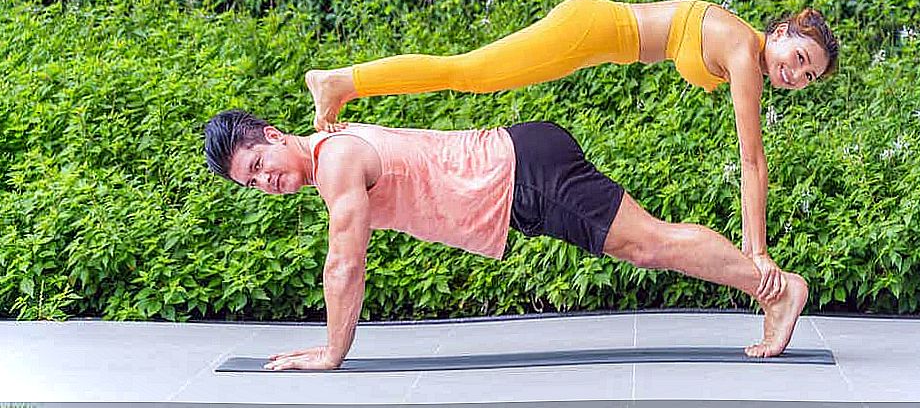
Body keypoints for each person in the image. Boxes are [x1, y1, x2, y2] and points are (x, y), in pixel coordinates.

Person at [203, 109, 809, 371]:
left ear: (276, 135)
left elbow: (345, 264)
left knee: (647, 243)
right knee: (644, 243)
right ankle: (767, 289)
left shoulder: (334, 163)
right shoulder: (327, 146)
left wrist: (331, 352)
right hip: (521, 176)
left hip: (526, 174)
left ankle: (773, 288)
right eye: (252, 182)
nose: (266, 181)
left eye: (260, 162)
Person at [304, 0, 838, 293]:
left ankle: (344, 82)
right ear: (783, 31)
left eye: (808, 76)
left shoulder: (745, 46)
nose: (796, 74)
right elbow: (751, 161)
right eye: (799, 58)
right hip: (590, 28)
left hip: (595, 34)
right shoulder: (746, 55)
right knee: (470, 72)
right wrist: (758, 251)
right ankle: (340, 81)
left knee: (471, 72)